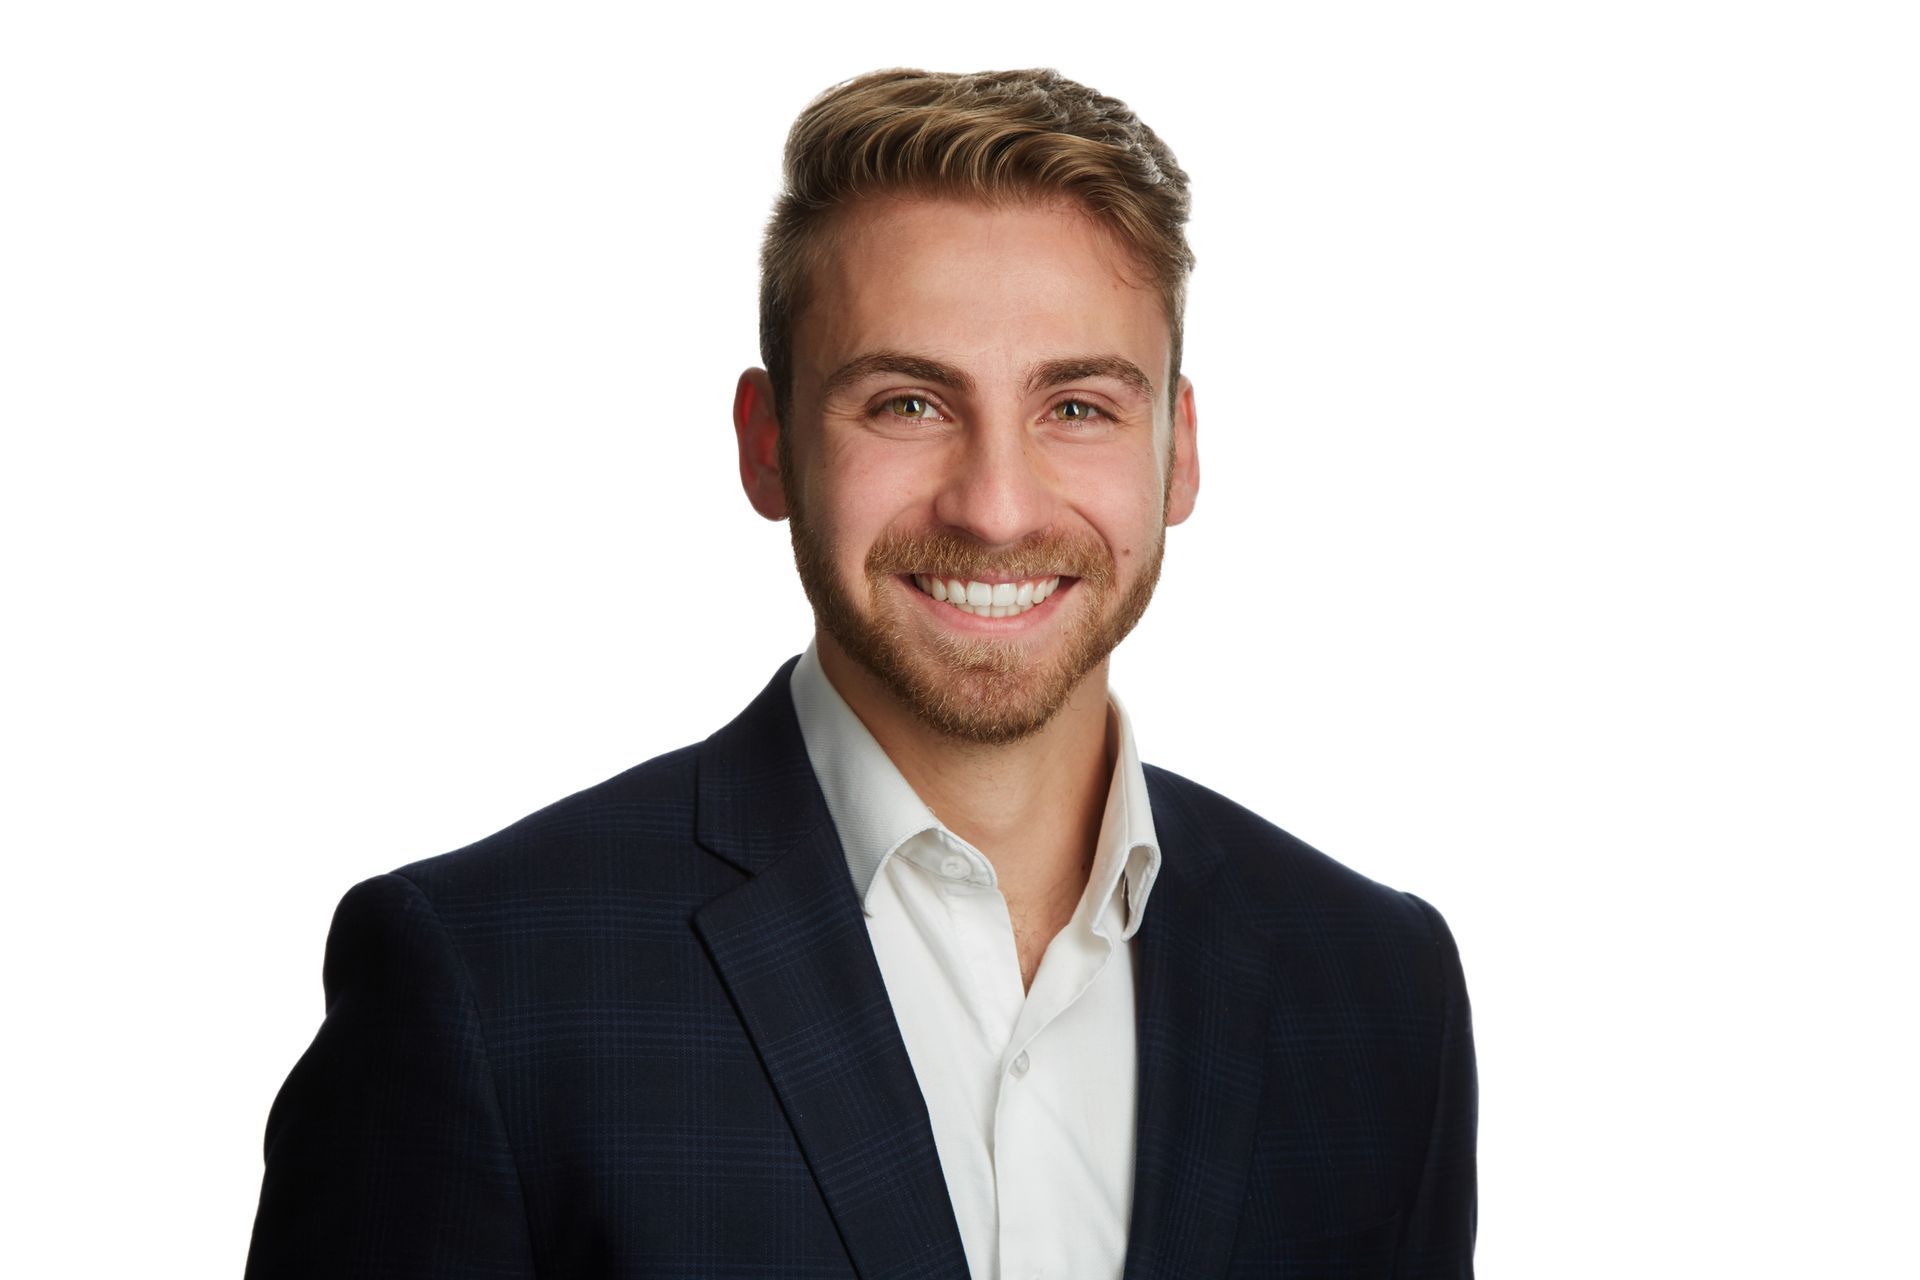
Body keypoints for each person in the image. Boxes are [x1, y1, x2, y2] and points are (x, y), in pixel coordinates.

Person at [245, 67, 1477, 1279]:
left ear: (1178, 450)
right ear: (767, 444)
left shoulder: (1377, 991)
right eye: (906, 403)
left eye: (1080, 407)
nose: (996, 508)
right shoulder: (481, 983)